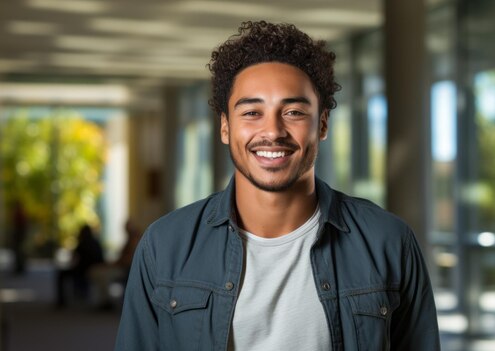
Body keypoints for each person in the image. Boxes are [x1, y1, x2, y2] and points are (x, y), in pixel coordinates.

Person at [116, 21, 440, 350]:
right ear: (225, 128)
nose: (272, 131)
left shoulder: (388, 241)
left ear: (323, 123)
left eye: (294, 111)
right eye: (252, 112)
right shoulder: (165, 245)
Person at [56, 224, 104, 307]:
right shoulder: (96, 243)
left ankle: (61, 301)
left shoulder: (82, 244)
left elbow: (74, 260)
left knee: (62, 274)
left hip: (84, 270)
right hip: (93, 269)